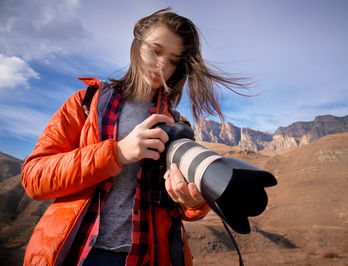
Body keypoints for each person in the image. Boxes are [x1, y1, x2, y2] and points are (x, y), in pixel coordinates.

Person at [21, 8, 247, 266]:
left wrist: (193, 202)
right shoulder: (84, 104)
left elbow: (183, 211)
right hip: (79, 254)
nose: (162, 65)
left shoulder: (178, 126)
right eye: (155, 50)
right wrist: (116, 153)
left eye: (173, 60)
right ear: (136, 46)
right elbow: (34, 178)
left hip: (146, 258)